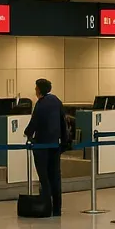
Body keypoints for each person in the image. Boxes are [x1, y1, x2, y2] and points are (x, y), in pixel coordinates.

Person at [23, 79, 68, 217]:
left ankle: (46, 206)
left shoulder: (40, 104)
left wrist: (27, 133)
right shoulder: (56, 101)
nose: (35, 90)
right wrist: (64, 142)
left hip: (42, 145)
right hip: (55, 144)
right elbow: (63, 121)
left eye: (36, 88)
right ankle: (57, 209)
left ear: (39, 90)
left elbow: (34, 122)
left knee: (44, 177)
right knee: (55, 176)